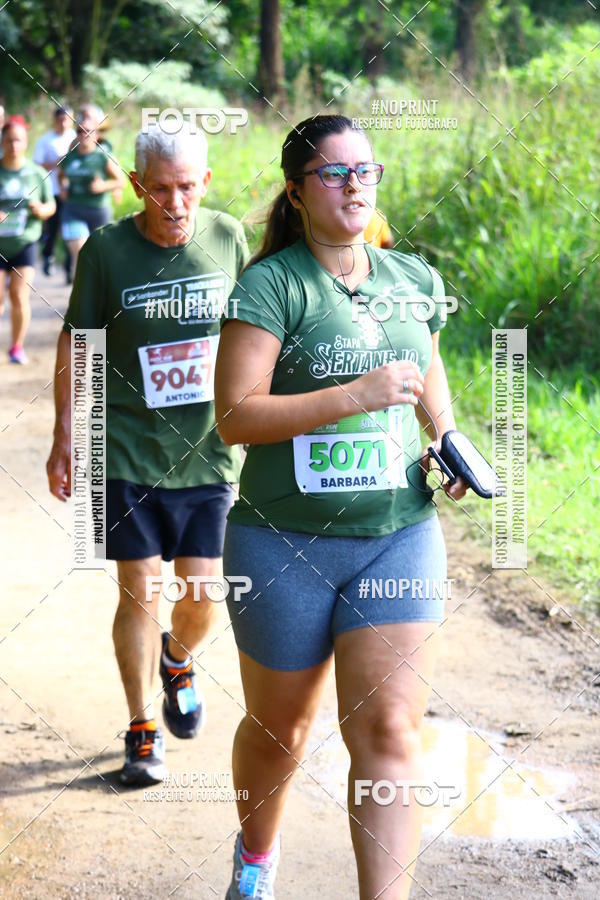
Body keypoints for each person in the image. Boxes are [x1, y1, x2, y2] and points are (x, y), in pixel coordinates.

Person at [214, 114, 467, 900]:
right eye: (334, 172)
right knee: (280, 732)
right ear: (297, 189)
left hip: (396, 535)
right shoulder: (271, 284)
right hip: (281, 543)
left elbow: (427, 376)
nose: (355, 184)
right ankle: (257, 854)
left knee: (390, 732)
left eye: (367, 170)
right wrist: (351, 396)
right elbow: (235, 415)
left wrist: (448, 439)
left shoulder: (411, 279)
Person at [46, 123, 249, 785]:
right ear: (135, 185)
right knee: (139, 591)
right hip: (127, 449)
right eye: (159, 188)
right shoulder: (105, 251)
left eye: (187, 187)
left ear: (205, 184)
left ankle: (179, 659)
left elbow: (259, 333)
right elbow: (78, 345)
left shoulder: (228, 238)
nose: (175, 203)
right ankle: (141, 728)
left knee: (202, 593)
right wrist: (64, 436)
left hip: (209, 452)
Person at [0, 116, 55, 364]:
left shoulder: (36, 173)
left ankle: (16, 347)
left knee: (19, 295)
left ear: (26, 142)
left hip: (26, 241)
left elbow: (51, 205)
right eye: (9, 140)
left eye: (19, 140)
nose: (14, 145)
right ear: (2, 140)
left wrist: (41, 210)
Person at [58, 107, 125, 278]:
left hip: (98, 210)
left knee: (100, 257)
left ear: (96, 134)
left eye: (88, 131)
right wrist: (63, 187)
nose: (84, 135)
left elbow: (121, 181)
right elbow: (61, 175)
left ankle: (100, 293)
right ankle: (80, 297)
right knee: (81, 255)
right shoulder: (70, 155)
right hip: (73, 210)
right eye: (80, 131)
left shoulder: (103, 155)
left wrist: (103, 186)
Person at [33, 104, 76, 278]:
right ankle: (48, 255)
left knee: (70, 230)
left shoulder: (77, 137)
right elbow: (37, 165)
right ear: (55, 120)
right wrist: (57, 163)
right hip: (52, 190)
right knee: (53, 228)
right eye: (61, 120)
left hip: (72, 191)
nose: (64, 124)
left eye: (67, 120)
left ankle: (69, 269)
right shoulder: (46, 140)